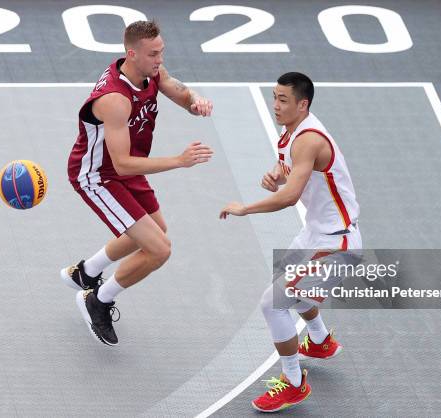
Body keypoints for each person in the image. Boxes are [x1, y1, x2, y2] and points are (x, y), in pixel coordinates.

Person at [62, 20, 213, 346]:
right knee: (159, 249)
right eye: (153, 54)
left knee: (155, 231)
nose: (159, 59)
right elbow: (123, 163)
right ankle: (97, 300)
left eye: (161, 52)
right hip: (99, 176)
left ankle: (85, 271)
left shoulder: (149, 71)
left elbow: (174, 86)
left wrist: (195, 102)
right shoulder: (115, 99)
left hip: (124, 171)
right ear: (132, 54)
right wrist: (179, 160)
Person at [219, 72, 361, 412]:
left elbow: (289, 197)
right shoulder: (292, 133)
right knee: (286, 287)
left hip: (337, 245)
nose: (276, 106)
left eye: (283, 100)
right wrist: (277, 173)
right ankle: (320, 340)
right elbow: (293, 168)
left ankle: (294, 383)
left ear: (303, 104)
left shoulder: (308, 139)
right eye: (274, 97)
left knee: (273, 303)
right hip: (317, 233)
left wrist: (245, 208)